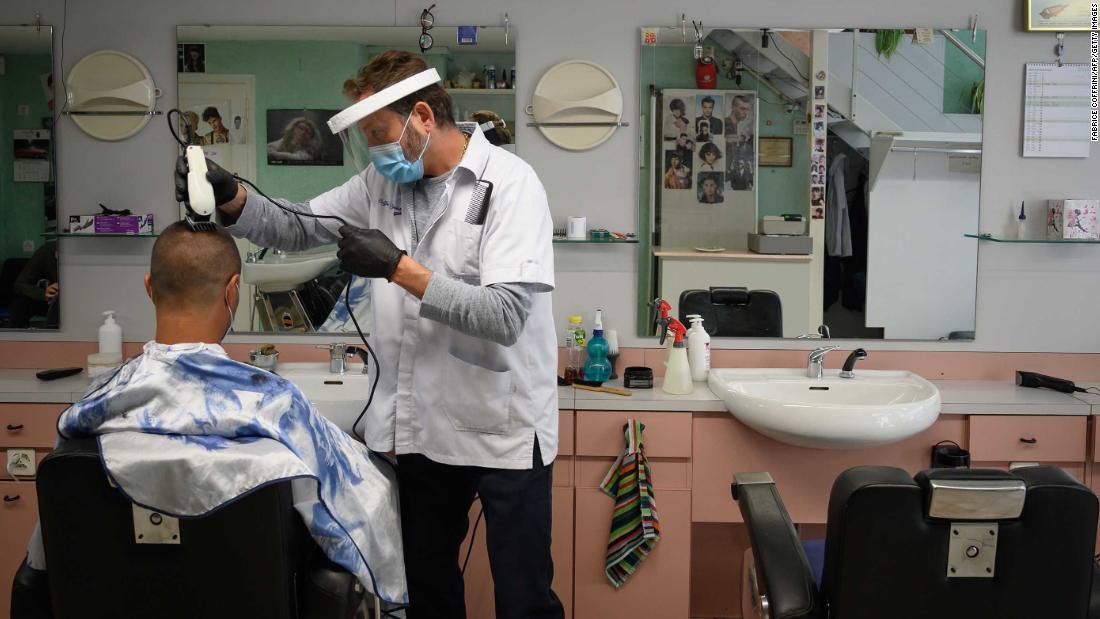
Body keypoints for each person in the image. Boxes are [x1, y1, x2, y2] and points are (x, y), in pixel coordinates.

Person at [175, 50, 561, 619]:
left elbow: (505, 316)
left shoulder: (509, 184)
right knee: (427, 590)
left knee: (524, 598)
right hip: (422, 429)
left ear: (424, 117)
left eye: (380, 134)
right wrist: (232, 197)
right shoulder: (381, 184)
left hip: (503, 426)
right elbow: (295, 224)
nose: (374, 151)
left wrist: (398, 268)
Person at [15, 222, 407, 611]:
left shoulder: (94, 406)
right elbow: (363, 516)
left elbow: (49, 556)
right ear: (233, 291)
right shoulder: (275, 404)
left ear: (149, 287)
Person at [9, 240, 59, 328]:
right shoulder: (46, 252)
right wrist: (44, 293)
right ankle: (18, 339)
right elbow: (20, 284)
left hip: (81, 299)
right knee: (20, 305)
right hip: (54, 300)